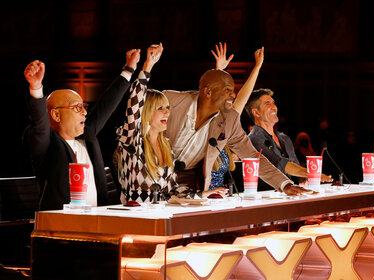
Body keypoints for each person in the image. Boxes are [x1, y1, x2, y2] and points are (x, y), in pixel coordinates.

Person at [163, 66, 308, 196]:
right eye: (228, 90)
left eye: (233, 91)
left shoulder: (229, 120)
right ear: (208, 92)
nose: (233, 95)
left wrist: (284, 184)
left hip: (185, 186)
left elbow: (251, 154)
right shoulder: (170, 101)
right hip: (150, 177)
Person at [23, 50, 139, 210]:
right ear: (56, 115)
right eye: (77, 108)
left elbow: (105, 106)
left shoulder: (87, 136)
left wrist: (129, 69)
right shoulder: (46, 144)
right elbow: (39, 124)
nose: (84, 112)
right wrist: (36, 89)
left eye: (83, 107)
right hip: (63, 227)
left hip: (100, 221)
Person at [115, 44, 227, 204]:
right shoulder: (132, 138)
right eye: (160, 108)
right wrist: (148, 65)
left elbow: (172, 194)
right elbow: (135, 103)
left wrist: (202, 194)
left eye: (168, 108)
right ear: (145, 112)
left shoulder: (165, 146)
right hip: (136, 217)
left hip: (162, 216)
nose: (167, 112)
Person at [245, 88, 332, 189]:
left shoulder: (285, 138)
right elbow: (279, 163)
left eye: (274, 103)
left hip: (289, 195)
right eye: (267, 103)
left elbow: (296, 169)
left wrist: (304, 179)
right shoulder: (253, 139)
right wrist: (312, 173)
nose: (274, 107)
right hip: (265, 196)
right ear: (256, 113)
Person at [209, 43, 264, 190]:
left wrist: (257, 67)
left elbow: (243, 98)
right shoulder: (205, 124)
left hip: (221, 196)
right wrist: (218, 70)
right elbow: (206, 97)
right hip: (200, 198)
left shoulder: (227, 125)